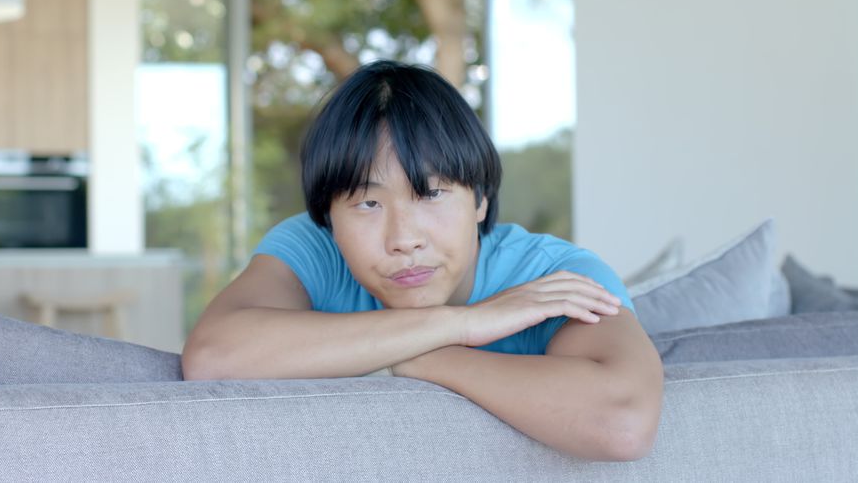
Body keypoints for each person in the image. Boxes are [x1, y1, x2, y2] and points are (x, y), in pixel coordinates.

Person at [182, 60, 663, 461]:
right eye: (368, 204)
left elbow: (621, 423)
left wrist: (415, 357)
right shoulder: (314, 247)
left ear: (479, 200)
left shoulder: (553, 277)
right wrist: (462, 325)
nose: (404, 239)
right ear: (328, 218)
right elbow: (212, 357)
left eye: (431, 193)